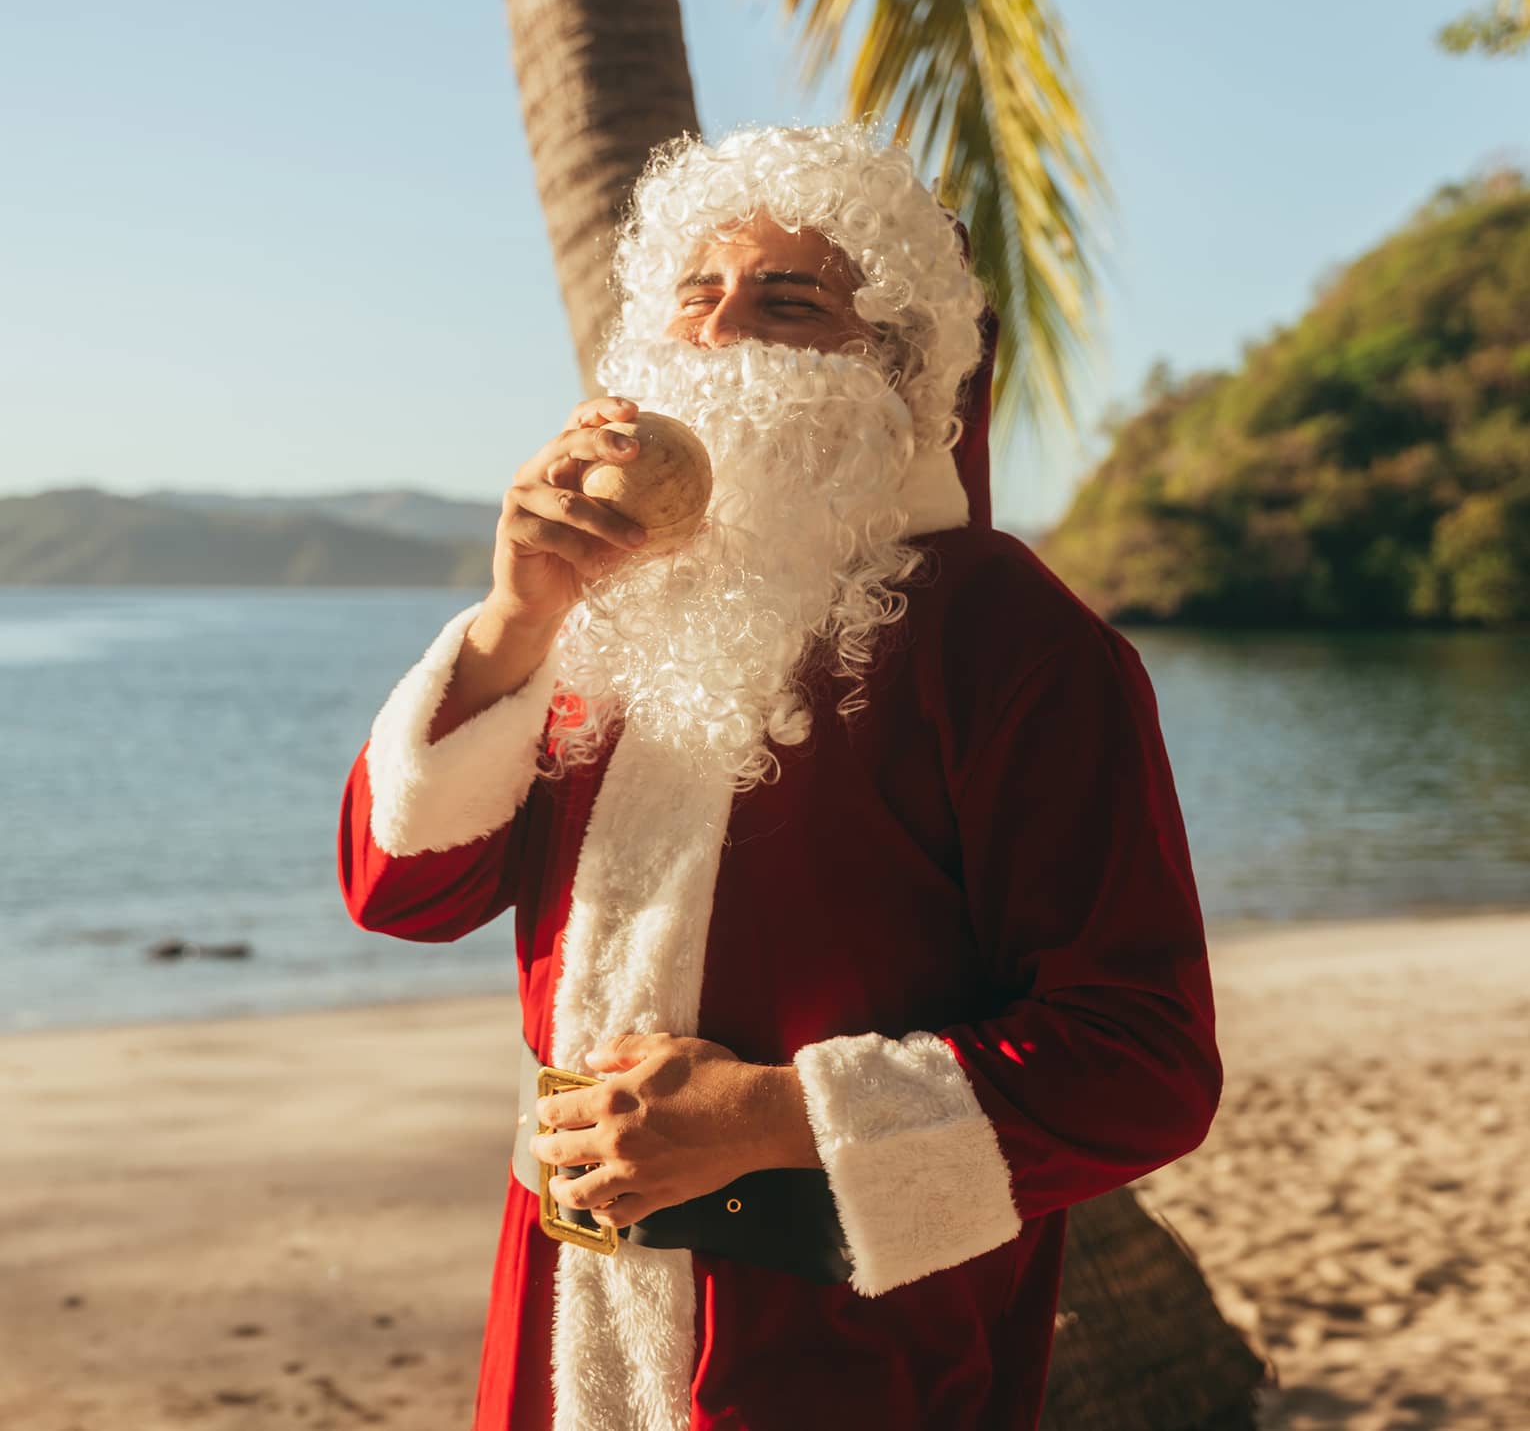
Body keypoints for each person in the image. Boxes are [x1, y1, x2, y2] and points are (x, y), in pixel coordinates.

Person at [337, 123, 1221, 1431]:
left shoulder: (1009, 636)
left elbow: (1143, 1064)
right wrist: (514, 620)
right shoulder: (606, 609)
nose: (717, 331)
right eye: (692, 291)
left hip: (854, 1356)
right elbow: (399, 892)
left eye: (786, 300)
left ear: (899, 366)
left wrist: (772, 1113)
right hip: (560, 1323)